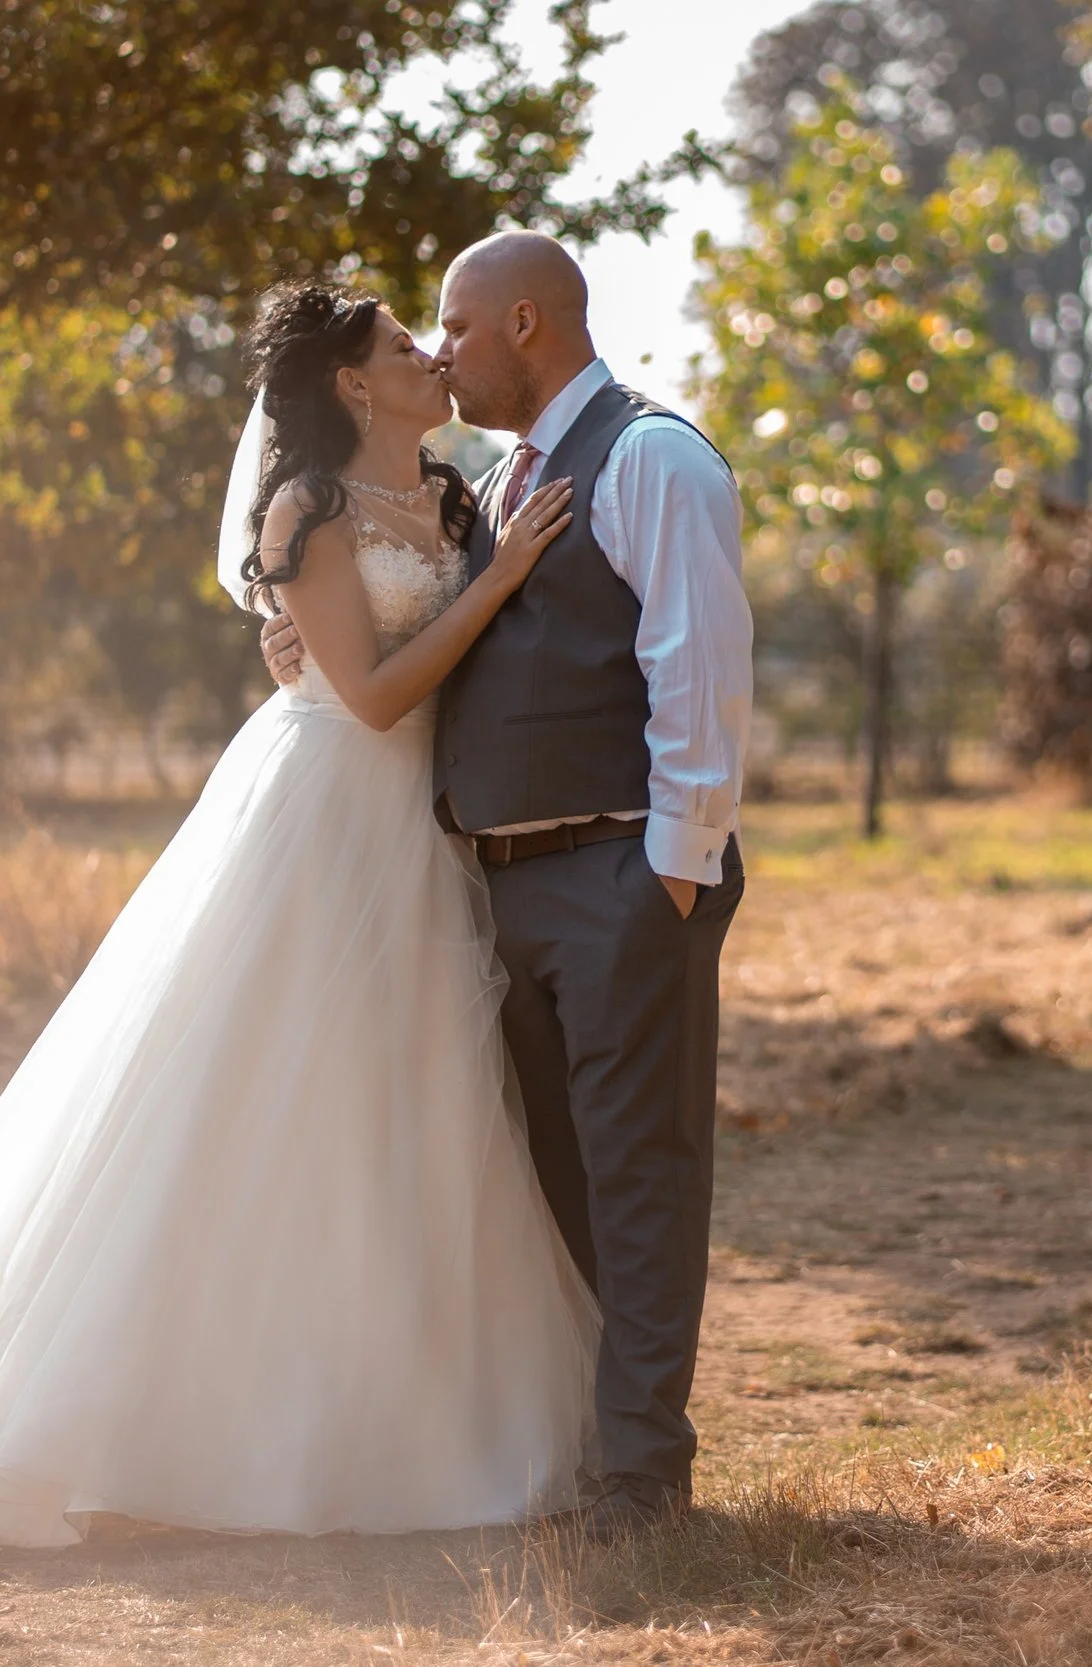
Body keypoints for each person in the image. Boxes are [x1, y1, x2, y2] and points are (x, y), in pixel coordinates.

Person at [0, 279, 598, 1546]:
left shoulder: (463, 499)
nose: (433, 356)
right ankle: (164, 1430)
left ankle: (405, 1415)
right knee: (257, 1098)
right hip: (322, 820)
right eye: (406, 345)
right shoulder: (305, 508)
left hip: (426, 831)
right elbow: (365, 697)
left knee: (408, 1109)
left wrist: (497, 572)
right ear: (354, 383)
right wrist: (493, 585)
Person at [262, 231, 752, 1537]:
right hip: (496, 887)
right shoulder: (484, 486)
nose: (443, 353)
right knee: (552, 1181)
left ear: (527, 322)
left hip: (619, 873)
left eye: (458, 330)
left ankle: (644, 1477)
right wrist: (298, 641)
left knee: (638, 1169)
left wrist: (676, 876)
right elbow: (410, 645)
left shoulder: (652, 457)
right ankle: (585, 1441)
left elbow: (700, 676)